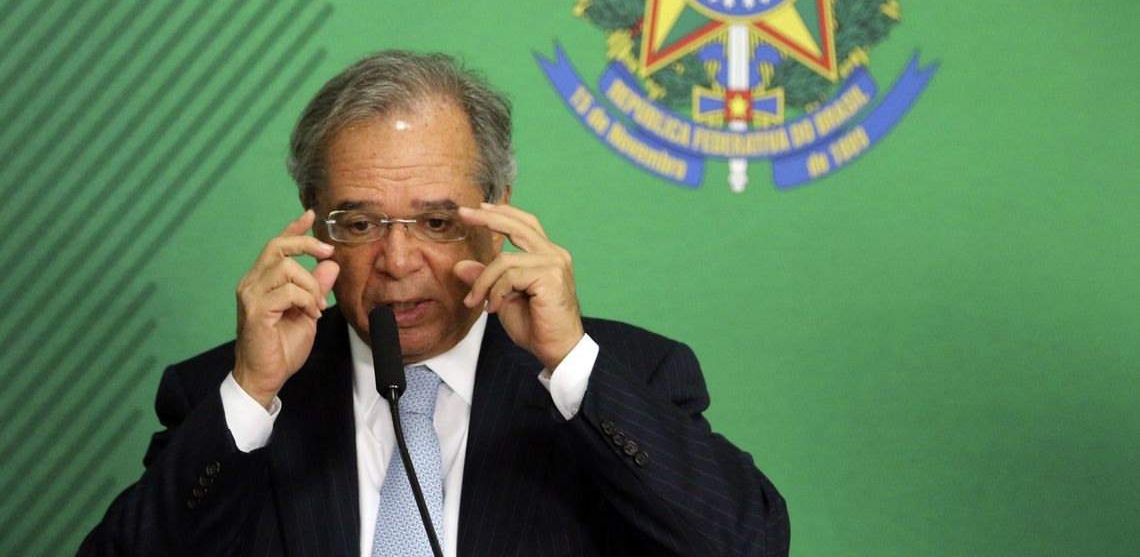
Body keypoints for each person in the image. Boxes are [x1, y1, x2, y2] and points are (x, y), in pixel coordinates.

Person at [79, 50, 789, 556]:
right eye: (359, 224)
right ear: (312, 222)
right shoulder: (223, 395)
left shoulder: (627, 374)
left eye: (437, 221)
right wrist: (251, 394)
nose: (396, 261)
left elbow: (748, 544)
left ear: (498, 213)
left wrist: (570, 365)